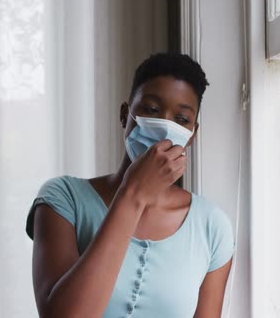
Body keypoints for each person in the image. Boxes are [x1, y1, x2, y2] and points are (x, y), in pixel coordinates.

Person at [25, 53, 235, 317]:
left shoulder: (212, 227)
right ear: (126, 115)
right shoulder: (63, 199)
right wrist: (133, 194)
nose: (165, 126)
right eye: (152, 110)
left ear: (192, 135)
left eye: (181, 120)